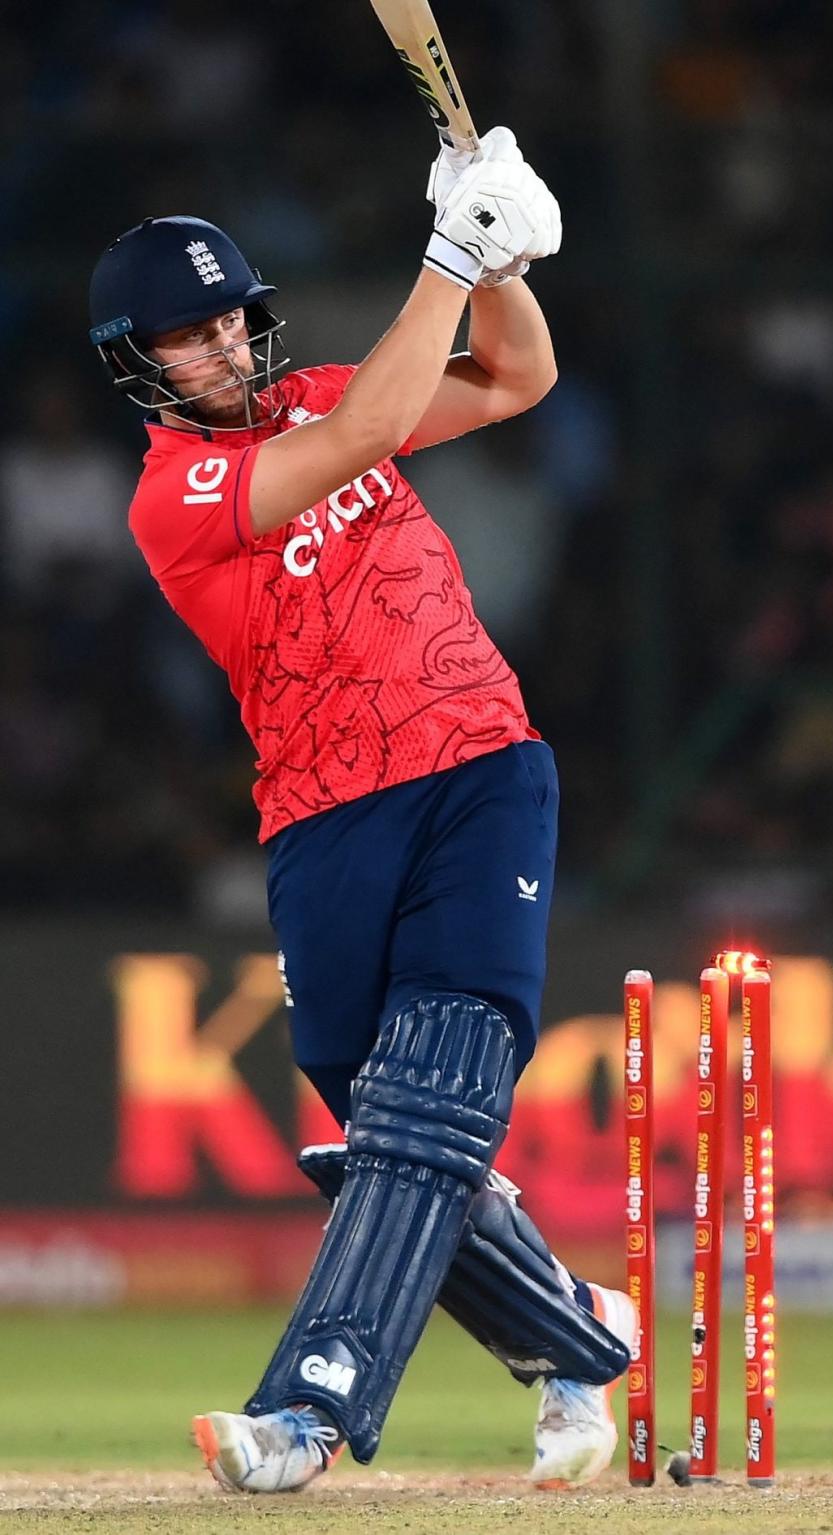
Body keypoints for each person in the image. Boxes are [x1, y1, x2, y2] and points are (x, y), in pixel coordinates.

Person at [88, 127, 636, 1494]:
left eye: (230, 322)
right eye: (187, 340)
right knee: (367, 1130)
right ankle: (576, 1334)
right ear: (138, 366)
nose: (221, 350)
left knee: (424, 1107)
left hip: (476, 773)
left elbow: (520, 374)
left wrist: (498, 257)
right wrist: (450, 253)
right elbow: (373, 432)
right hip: (322, 821)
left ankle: (309, 1412)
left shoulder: (320, 394)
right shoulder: (179, 499)